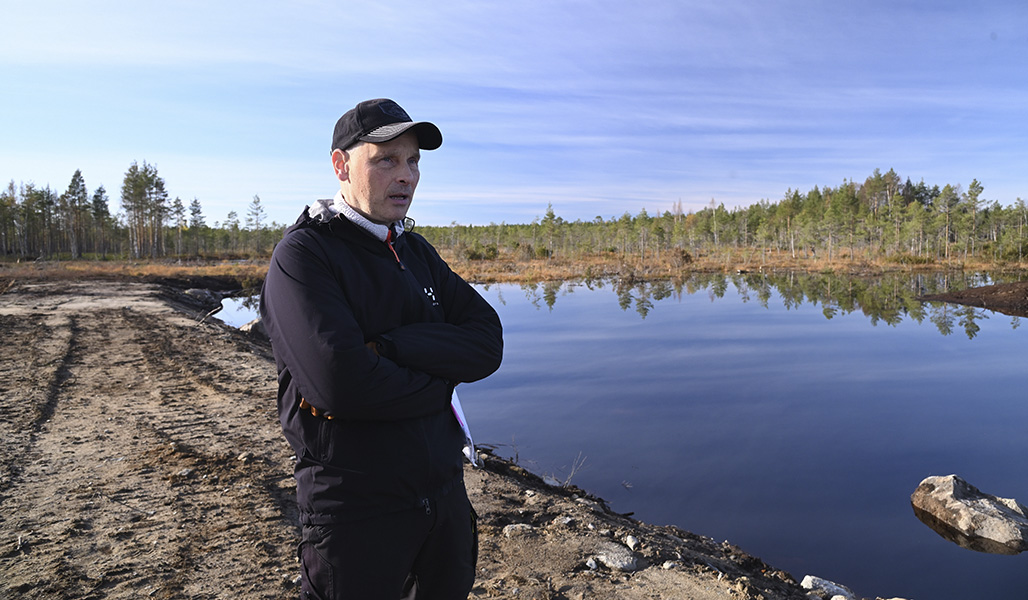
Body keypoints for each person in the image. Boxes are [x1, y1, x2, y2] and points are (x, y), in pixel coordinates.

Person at [260, 98, 504, 600]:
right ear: (341, 164)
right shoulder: (304, 256)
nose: (406, 176)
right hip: (355, 512)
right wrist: (442, 383)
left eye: (413, 161)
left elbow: (487, 341)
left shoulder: (414, 252)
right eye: (386, 160)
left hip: (442, 502)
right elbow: (342, 386)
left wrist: (391, 347)